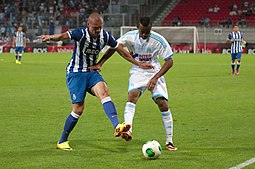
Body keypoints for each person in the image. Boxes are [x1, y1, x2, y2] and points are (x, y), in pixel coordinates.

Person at [39, 13, 153, 151]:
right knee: (78, 109)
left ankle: (117, 126)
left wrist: (137, 63)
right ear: (88, 25)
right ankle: (62, 140)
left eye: (100, 28)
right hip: (76, 73)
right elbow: (64, 36)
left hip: (92, 72)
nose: (98, 31)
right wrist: (50, 37)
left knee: (104, 92)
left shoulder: (105, 36)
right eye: (95, 28)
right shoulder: (80, 33)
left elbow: (120, 50)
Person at [90, 16, 177, 151]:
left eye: (146, 32)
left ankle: (169, 141)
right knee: (132, 95)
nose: (143, 35)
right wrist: (100, 63)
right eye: (142, 31)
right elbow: (115, 47)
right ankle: (128, 129)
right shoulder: (129, 36)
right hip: (138, 70)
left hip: (154, 69)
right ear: (138, 27)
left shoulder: (158, 40)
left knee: (162, 103)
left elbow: (169, 61)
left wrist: (155, 78)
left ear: (150, 29)